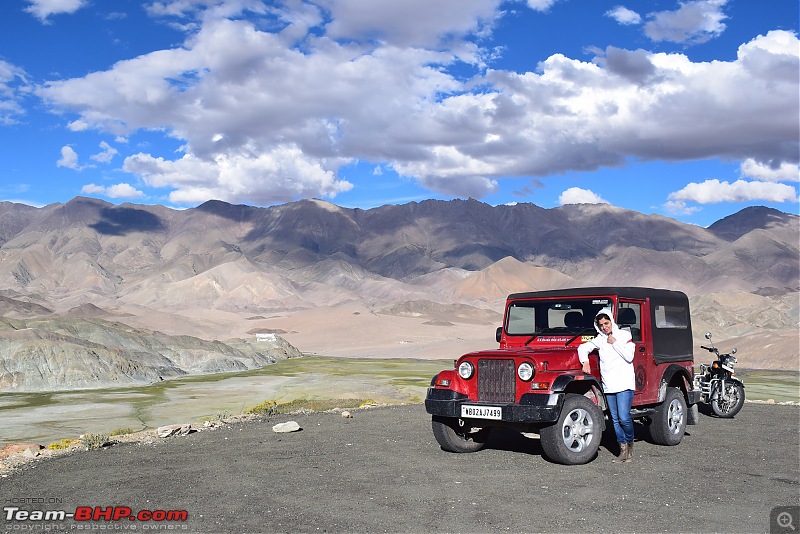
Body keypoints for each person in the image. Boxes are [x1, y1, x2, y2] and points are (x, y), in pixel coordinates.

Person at [578, 308, 636, 463]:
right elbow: (583, 347)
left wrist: (615, 342)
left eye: (606, 323)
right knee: (615, 419)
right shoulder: (600, 339)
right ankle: (623, 451)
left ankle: (630, 442)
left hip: (624, 383)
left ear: (611, 320)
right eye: (601, 324)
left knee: (624, 418)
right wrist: (585, 360)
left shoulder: (624, 335)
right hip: (609, 385)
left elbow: (629, 356)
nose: (605, 327)